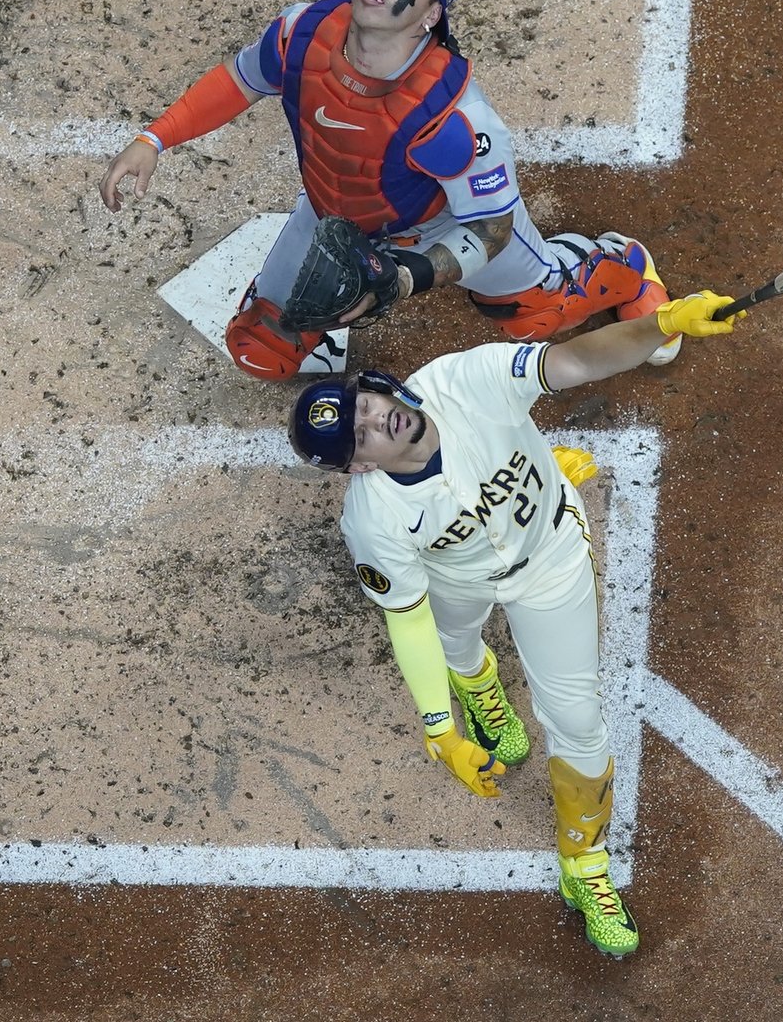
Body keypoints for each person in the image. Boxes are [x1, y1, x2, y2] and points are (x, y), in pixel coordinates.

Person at [287, 291, 745, 957]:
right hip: (455, 578)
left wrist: (660, 326)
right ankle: (479, 692)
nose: (377, 422)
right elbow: (407, 618)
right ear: (355, 466)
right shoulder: (374, 521)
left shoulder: (461, 382)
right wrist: (440, 728)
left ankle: (584, 867)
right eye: (358, 436)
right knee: (454, 645)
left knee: (578, 720)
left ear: (379, 389)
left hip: (551, 559)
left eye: (365, 406)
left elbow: (577, 362)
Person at [100, 0, 683, 380]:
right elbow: (240, 79)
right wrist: (155, 138)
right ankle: (302, 297)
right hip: (337, 216)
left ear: (431, 16)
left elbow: (490, 230)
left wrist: (405, 279)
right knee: (262, 347)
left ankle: (619, 266)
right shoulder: (303, 32)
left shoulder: (449, 113)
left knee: (532, 317)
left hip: (439, 225)